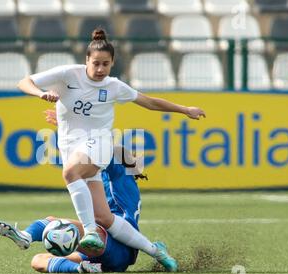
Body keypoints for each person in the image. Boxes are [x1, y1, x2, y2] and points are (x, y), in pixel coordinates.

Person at [17, 28, 206, 256]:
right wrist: (40, 94)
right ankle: (155, 251)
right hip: (72, 147)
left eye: (105, 64)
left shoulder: (114, 86)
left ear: (112, 63)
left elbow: (150, 102)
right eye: (96, 63)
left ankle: (90, 233)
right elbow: (24, 82)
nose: (100, 69)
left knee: (69, 173)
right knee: (104, 217)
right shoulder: (67, 74)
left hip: (100, 143)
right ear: (86, 60)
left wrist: (185, 110)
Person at [0, 156, 178, 273]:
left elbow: (113, 149)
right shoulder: (98, 174)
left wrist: (72, 125)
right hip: (102, 255)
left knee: (54, 223)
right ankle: (82, 269)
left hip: (119, 245)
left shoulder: (120, 177)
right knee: (38, 261)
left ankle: (26, 235)